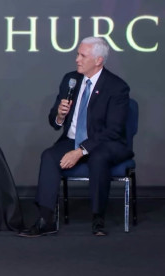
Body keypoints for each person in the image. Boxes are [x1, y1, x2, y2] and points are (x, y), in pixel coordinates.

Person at [19, 36, 134, 237]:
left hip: (107, 143)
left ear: (98, 60)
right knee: (49, 156)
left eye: (82, 55)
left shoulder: (117, 87)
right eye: (77, 54)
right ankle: (45, 219)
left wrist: (80, 151)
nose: (77, 59)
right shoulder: (70, 80)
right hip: (72, 139)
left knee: (98, 158)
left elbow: (113, 130)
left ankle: (98, 220)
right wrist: (60, 116)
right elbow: (54, 121)